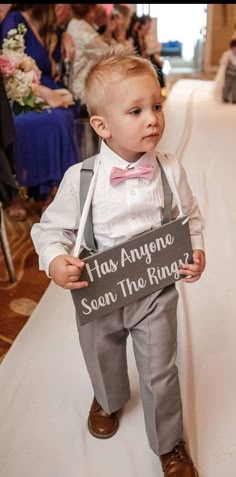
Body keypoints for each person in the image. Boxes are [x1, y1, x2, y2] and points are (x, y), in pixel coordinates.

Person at [31, 46, 205, 477]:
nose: (152, 118)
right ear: (101, 125)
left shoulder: (170, 169)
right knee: (102, 354)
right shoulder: (81, 178)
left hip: (155, 288)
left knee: (161, 369)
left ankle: (170, 444)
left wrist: (195, 250)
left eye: (157, 106)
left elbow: (190, 218)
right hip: (100, 288)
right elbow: (49, 230)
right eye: (136, 110)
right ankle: (107, 398)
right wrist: (54, 261)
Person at [0, 4, 79, 217]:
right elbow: (9, 68)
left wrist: (65, 36)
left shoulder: (50, 27)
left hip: (50, 89)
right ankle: (31, 191)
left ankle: (58, 192)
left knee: (66, 115)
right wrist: (42, 92)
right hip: (21, 92)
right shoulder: (15, 20)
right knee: (45, 121)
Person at [213, 38, 236, 103]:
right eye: (234, 48)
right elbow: (222, 62)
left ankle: (234, 98)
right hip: (228, 74)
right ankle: (225, 97)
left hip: (235, 74)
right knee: (227, 85)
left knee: (234, 87)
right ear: (232, 47)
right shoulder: (227, 54)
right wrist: (228, 61)